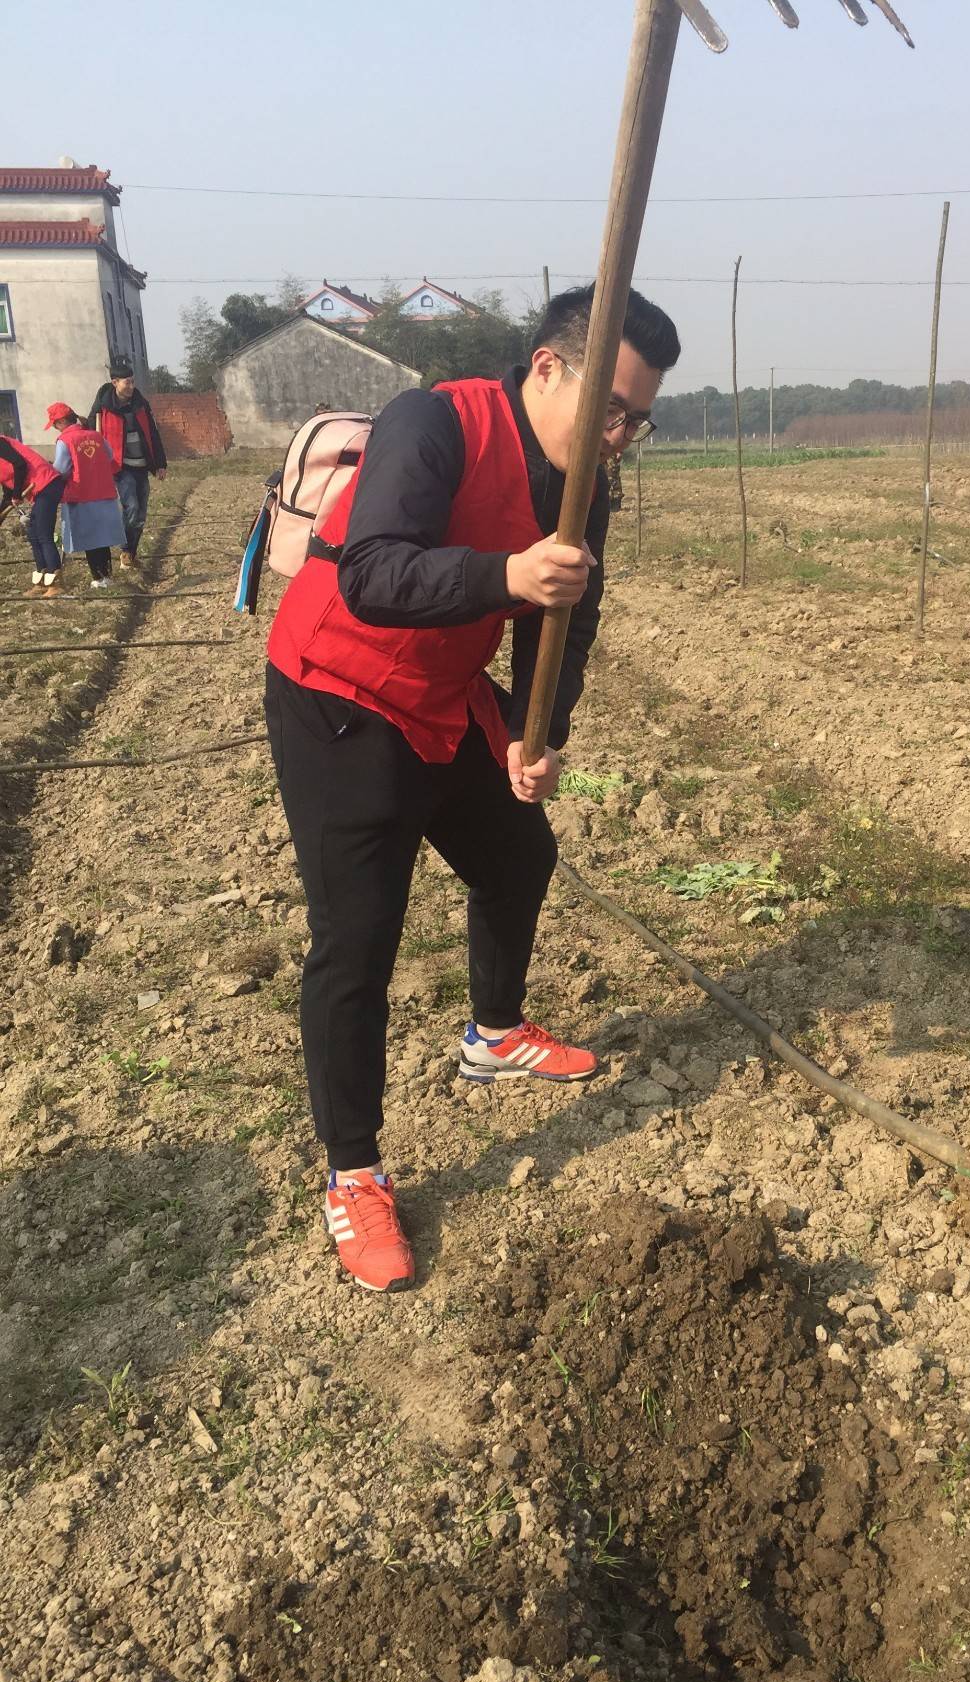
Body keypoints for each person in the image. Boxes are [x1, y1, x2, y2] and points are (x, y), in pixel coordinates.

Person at [264, 283, 680, 1293]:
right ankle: (353, 1172)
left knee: (517, 852)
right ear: (548, 369)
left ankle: (493, 1033)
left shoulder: (585, 487)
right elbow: (374, 574)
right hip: (341, 697)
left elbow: (565, 618)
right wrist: (505, 575)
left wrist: (539, 732)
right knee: (358, 938)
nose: (620, 434)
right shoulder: (435, 423)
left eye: (639, 418)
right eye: (610, 409)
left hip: (443, 698)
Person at [85, 356, 167, 568]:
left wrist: (160, 463)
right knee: (131, 508)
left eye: (132, 381)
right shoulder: (103, 407)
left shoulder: (141, 404)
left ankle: (131, 552)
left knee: (141, 514)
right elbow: (91, 435)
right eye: (127, 382)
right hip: (121, 467)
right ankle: (125, 550)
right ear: (115, 383)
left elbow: (153, 434)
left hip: (142, 465)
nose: (131, 386)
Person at [46, 404, 126, 587]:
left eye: (54, 424)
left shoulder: (65, 441)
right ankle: (107, 577)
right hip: (103, 492)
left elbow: (61, 469)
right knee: (102, 537)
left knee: (90, 538)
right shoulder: (95, 436)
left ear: (62, 421)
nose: (54, 428)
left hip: (81, 495)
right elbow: (109, 455)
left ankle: (97, 578)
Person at [0, 433, 64, 595]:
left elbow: (20, 464)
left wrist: (16, 495)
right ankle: (42, 581)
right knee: (33, 534)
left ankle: (55, 582)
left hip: (47, 483)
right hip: (39, 489)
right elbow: (8, 493)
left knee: (43, 534)